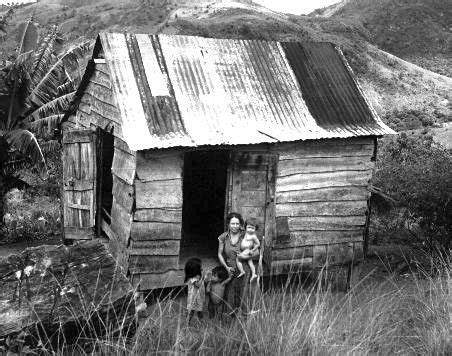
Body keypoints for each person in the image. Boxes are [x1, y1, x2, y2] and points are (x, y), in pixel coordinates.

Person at [217, 212, 260, 315]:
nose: (235, 226)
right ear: (228, 224)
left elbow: (257, 252)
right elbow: (219, 254)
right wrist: (227, 267)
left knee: (243, 291)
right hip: (231, 269)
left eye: (237, 224)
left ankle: (246, 314)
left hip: (244, 268)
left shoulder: (245, 234)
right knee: (231, 292)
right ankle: (232, 315)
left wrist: (245, 256)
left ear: (241, 224)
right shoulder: (223, 237)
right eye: (232, 223)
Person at [236, 218, 260, 283]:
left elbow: (258, 244)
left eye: (252, 228)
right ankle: (254, 274)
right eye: (249, 227)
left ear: (255, 229)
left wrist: (253, 250)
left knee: (238, 258)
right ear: (246, 227)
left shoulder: (253, 236)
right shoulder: (246, 232)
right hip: (244, 250)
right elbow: (241, 229)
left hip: (248, 250)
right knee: (250, 262)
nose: (250, 230)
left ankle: (242, 271)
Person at [184, 257, 205, 322]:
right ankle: (187, 324)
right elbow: (198, 285)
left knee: (200, 311)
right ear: (195, 269)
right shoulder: (191, 278)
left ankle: (200, 324)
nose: (202, 267)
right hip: (193, 298)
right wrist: (203, 277)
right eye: (201, 266)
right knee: (191, 312)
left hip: (199, 297)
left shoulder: (198, 276)